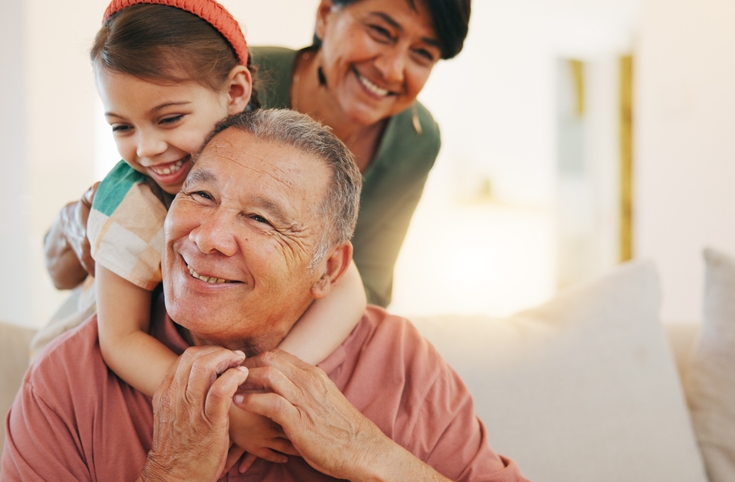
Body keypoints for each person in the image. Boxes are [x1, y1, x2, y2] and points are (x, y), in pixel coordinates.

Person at [0, 109, 550, 482]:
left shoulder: (398, 359)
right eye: (199, 196)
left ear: (329, 269)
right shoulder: (73, 375)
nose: (208, 237)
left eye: (262, 219)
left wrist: (364, 452)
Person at [77, 0, 368, 472]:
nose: (147, 148)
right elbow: (122, 339)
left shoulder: (273, 157)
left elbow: (348, 291)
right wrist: (227, 413)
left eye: (169, 119)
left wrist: (263, 385)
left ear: (235, 91)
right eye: (121, 127)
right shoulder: (127, 203)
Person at [44, 0, 470, 308]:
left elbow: (369, 284)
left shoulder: (417, 138)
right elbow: (117, 220)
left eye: (422, 53)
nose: (393, 69)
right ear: (325, 15)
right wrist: (76, 225)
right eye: (381, 31)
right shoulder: (216, 84)